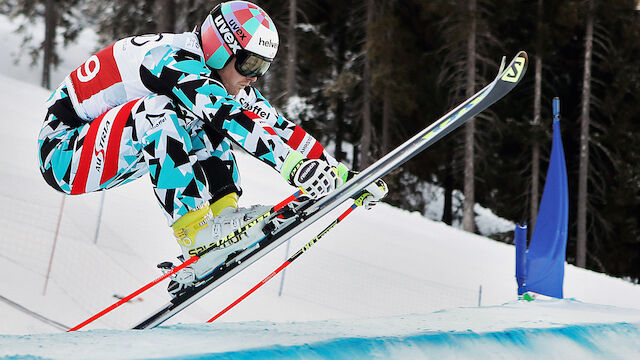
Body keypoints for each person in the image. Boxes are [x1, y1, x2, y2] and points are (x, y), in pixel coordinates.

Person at [37, 0, 387, 295]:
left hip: (108, 142)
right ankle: (196, 232)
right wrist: (293, 168)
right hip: (65, 151)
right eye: (250, 63)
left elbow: (276, 126)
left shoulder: (217, 77)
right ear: (222, 48)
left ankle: (222, 219)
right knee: (168, 111)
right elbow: (227, 115)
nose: (254, 76)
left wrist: (343, 177)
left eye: (263, 67)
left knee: (211, 113)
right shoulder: (170, 59)